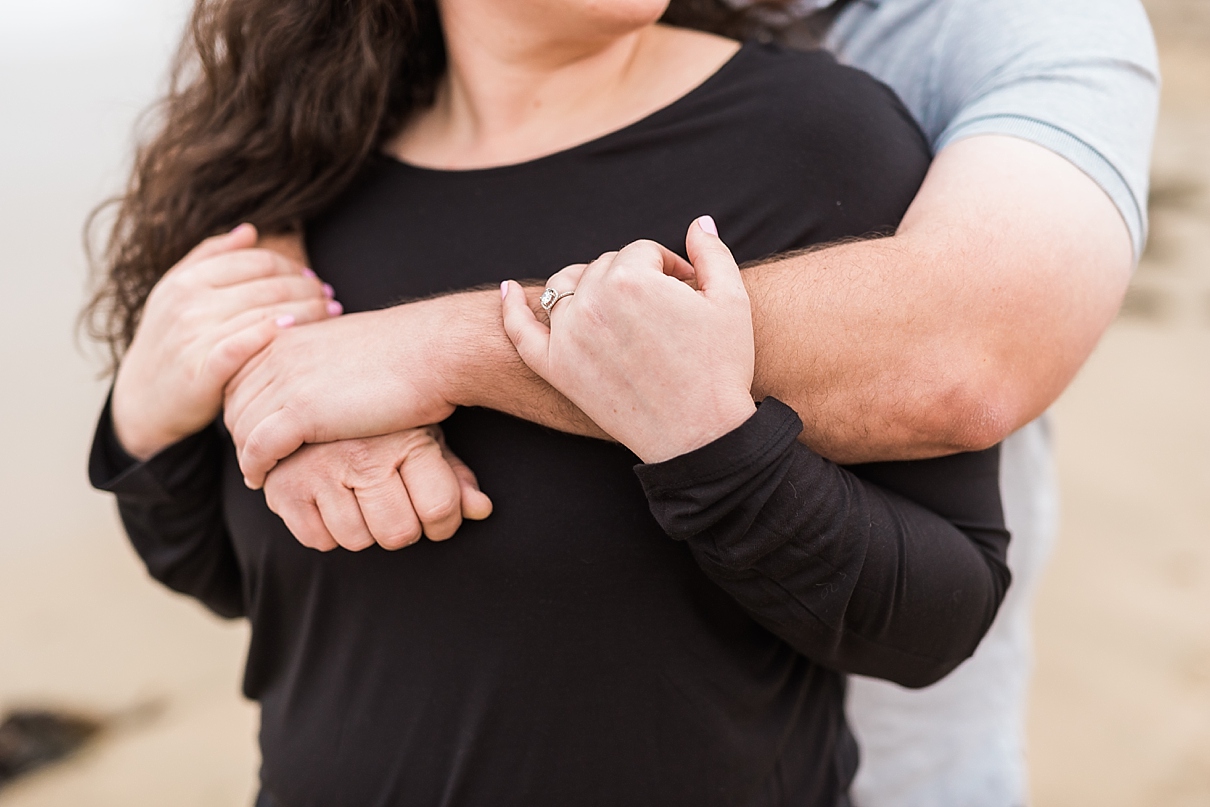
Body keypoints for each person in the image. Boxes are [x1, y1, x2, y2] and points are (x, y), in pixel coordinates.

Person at [200, 1, 1159, 804]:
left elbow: (943, 570)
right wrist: (165, 417)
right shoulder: (303, 168)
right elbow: (214, 568)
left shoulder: (819, 131)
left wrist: (701, 439)